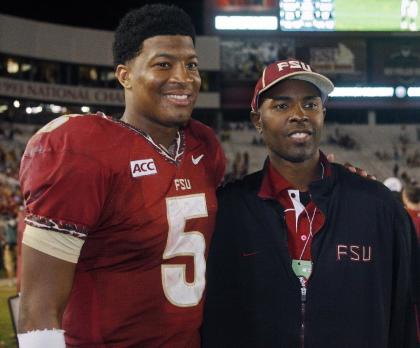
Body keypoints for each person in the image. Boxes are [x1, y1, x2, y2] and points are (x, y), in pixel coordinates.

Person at [17, 4, 225, 347]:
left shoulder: (204, 146)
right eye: (163, 64)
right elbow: (38, 306)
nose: (184, 77)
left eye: (191, 65)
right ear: (124, 75)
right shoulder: (81, 149)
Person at [202, 58, 420, 347]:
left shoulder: (378, 207)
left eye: (310, 104)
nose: (299, 114)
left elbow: (405, 315)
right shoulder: (228, 210)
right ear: (257, 120)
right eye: (281, 105)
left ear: (323, 113)